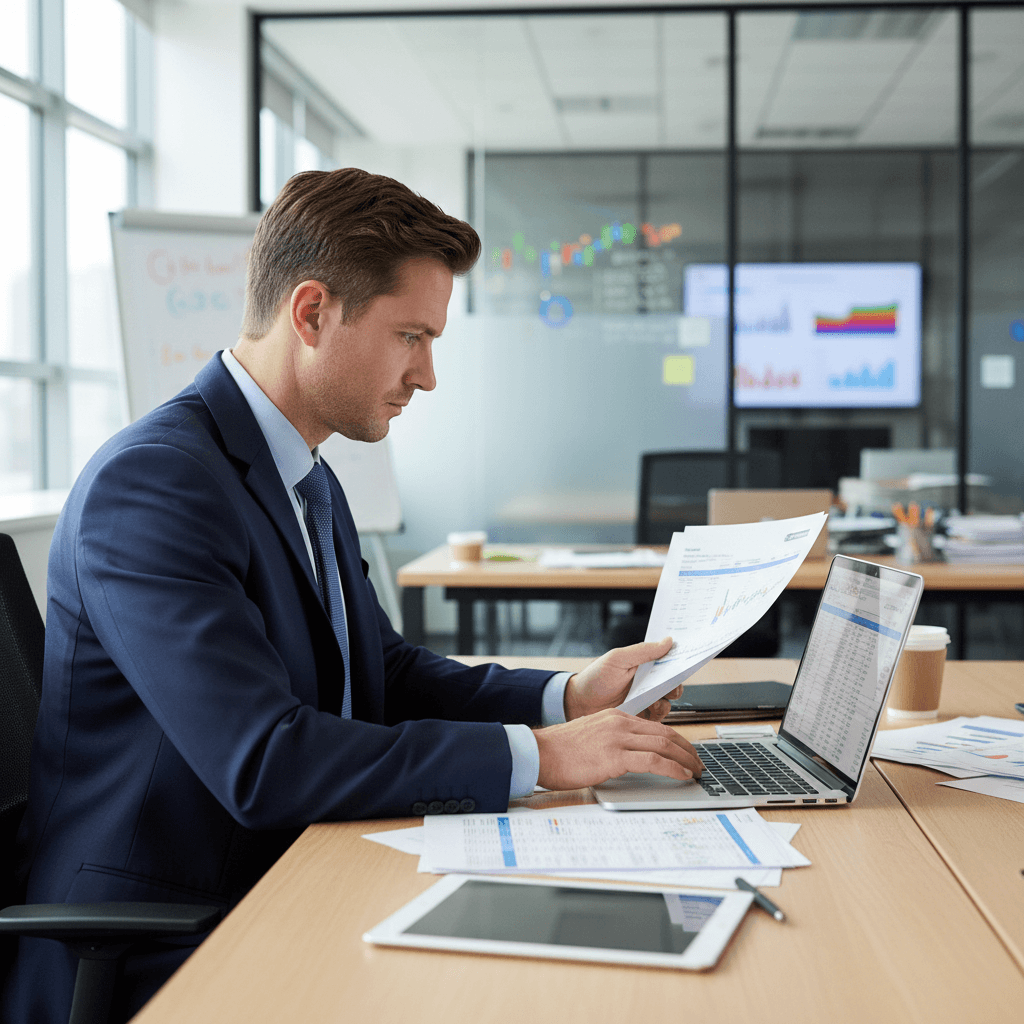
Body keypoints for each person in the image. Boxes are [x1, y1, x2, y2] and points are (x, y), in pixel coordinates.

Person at [4, 168, 702, 1022]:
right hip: (163, 943)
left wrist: (564, 697)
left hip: (298, 871)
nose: (427, 375)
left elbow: (383, 673)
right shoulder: (153, 486)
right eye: (411, 336)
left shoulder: (306, 477)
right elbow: (266, 760)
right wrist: (544, 756)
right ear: (311, 314)